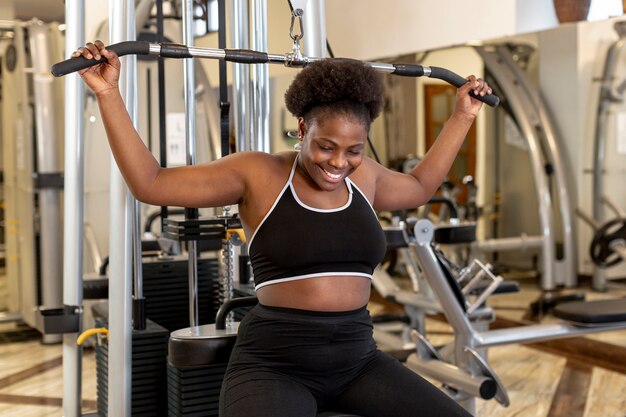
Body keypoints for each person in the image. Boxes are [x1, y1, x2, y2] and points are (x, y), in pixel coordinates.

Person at [74, 40, 491, 417]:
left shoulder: (367, 180)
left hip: (358, 359)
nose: (338, 163)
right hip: (275, 363)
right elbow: (152, 183)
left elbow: (419, 186)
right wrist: (108, 93)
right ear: (303, 128)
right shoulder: (259, 173)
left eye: (354, 151)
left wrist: (462, 116)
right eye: (326, 146)